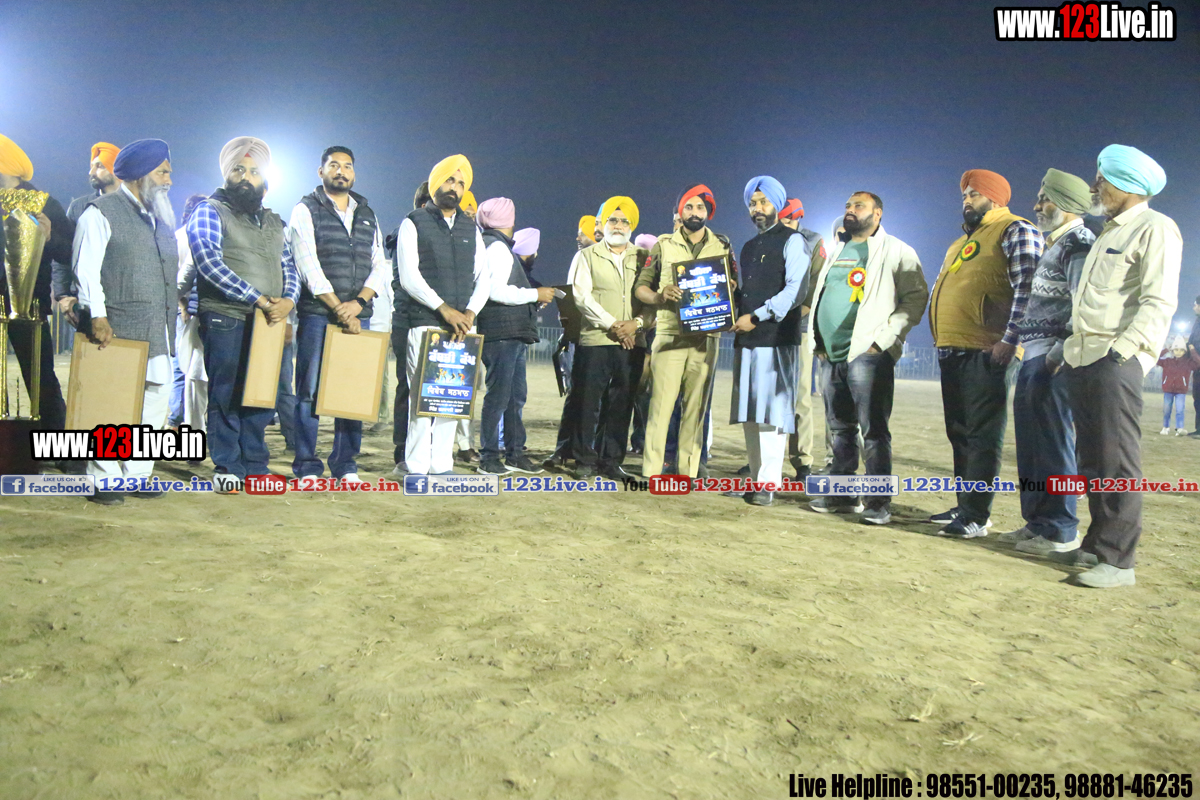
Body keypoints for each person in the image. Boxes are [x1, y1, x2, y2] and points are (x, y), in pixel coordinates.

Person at [1060, 144, 1181, 588]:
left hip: (1115, 359)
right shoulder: (1108, 232)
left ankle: (1119, 561)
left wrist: (1124, 350)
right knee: (1092, 457)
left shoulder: (1155, 228)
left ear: (1128, 185)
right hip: (1084, 356)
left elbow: (1159, 300)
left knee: (1117, 459)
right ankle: (1096, 544)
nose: (1096, 187)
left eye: (1103, 180)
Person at [927, 169, 1043, 538]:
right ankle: (965, 505)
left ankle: (977, 516)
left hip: (988, 349)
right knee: (959, 433)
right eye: (964, 195)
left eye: (974, 194)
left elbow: (1028, 288)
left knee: (982, 435)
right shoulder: (959, 243)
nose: (966, 200)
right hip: (953, 347)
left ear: (995, 198)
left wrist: (1011, 339)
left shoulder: (1015, 229)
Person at [807, 191, 928, 524]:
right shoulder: (838, 250)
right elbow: (822, 297)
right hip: (831, 355)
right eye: (847, 205)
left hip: (868, 355)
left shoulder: (898, 251)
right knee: (840, 430)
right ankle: (843, 496)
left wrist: (882, 341)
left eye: (858, 205)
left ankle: (878, 503)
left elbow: (916, 299)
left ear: (878, 214)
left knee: (873, 432)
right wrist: (818, 341)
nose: (850, 210)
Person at [187, 136, 299, 491]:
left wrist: (288, 300)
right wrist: (260, 299)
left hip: (268, 319)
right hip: (226, 315)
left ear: (265, 179)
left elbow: (288, 265)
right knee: (226, 393)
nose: (246, 177)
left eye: (254, 171)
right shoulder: (209, 211)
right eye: (239, 169)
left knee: (261, 393)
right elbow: (209, 263)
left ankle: (255, 466)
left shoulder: (274, 220)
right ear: (227, 174)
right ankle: (227, 466)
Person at [72, 139, 178, 505]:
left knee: (155, 401)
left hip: (158, 328)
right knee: (111, 404)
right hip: (116, 326)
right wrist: (97, 315)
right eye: (162, 172)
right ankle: (103, 478)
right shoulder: (100, 212)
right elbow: (86, 268)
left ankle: (137, 474)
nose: (168, 180)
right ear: (140, 176)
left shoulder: (161, 219)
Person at [999, 169, 1096, 555]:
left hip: (1054, 360)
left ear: (1068, 203)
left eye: (1045, 198)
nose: (1037, 205)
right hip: (1034, 355)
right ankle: (1037, 522)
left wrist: (1057, 356)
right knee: (1032, 446)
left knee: (1054, 445)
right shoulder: (1053, 244)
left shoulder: (1079, 243)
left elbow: (1083, 303)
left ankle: (1060, 530)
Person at [288, 145, 390, 482]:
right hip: (318, 314)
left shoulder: (367, 213)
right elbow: (308, 265)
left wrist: (358, 304)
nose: (341, 171)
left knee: (352, 392)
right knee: (309, 391)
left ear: (354, 173)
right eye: (334, 165)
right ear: (321, 172)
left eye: (347, 166)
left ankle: (345, 465)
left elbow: (379, 263)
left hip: (359, 315)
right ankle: (307, 465)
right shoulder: (305, 209)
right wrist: (339, 308)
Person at [395, 154, 491, 475]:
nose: (455, 188)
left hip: (462, 328)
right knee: (422, 401)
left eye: (461, 183)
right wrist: (445, 310)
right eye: (450, 180)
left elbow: (484, 278)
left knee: (453, 400)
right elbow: (410, 278)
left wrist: (470, 312)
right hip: (426, 324)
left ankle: (441, 465)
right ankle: (417, 467)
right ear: (436, 183)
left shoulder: (470, 228)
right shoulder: (413, 223)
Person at [634, 184, 732, 479]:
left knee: (696, 409)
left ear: (708, 212)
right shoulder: (663, 245)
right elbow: (641, 288)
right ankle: (652, 471)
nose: (694, 212)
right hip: (670, 335)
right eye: (688, 206)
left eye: (700, 207)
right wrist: (659, 296)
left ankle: (687, 472)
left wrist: (727, 289)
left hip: (706, 337)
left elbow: (734, 286)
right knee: (661, 407)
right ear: (680, 211)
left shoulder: (723, 246)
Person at [728, 176, 809, 506]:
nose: (757, 208)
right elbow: (746, 293)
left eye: (763, 202)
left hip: (775, 339)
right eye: (752, 203)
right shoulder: (749, 247)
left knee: (772, 415)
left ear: (777, 204)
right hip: (747, 340)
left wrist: (757, 316)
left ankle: (768, 483)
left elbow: (795, 291)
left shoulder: (794, 241)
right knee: (751, 415)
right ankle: (757, 479)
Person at [569, 196, 652, 480]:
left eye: (624, 221)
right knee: (587, 402)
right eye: (613, 220)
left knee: (622, 404)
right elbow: (582, 297)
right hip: (596, 340)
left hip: (633, 342)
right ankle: (584, 459)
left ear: (632, 225)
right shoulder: (586, 256)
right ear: (603, 224)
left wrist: (635, 325)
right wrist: (614, 325)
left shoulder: (644, 257)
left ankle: (611, 461)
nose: (618, 225)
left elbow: (652, 300)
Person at [474, 198, 557, 474]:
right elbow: (495, 290)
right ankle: (489, 458)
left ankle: (514, 454)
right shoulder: (497, 247)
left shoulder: (492, 243)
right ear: (508, 220)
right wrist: (535, 294)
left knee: (513, 397)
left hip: (510, 333)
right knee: (499, 398)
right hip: (502, 334)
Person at [0, 134, 72, 436]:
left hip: (29, 302)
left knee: (40, 376)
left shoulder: (43, 203)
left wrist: (48, 236)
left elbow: (68, 253)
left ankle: (60, 445)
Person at [778, 196, 826, 481]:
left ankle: (802, 462)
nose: (783, 224)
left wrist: (792, 316)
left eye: (788, 219)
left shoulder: (814, 241)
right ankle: (763, 460)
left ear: (798, 218)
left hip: (799, 328)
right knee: (767, 396)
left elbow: (815, 286)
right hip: (768, 326)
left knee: (799, 398)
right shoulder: (768, 239)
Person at [387, 182, 430, 475]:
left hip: (429, 319)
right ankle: (403, 449)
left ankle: (424, 449)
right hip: (408, 319)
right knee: (409, 386)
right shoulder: (408, 233)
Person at [56, 142, 122, 325]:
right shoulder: (79, 207)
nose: (91, 172)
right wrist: (62, 295)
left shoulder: (133, 206)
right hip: (85, 302)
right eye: (92, 166)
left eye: (99, 166)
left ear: (115, 169)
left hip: (125, 303)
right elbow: (64, 253)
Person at [170, 193, 210, 436]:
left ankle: (182, 422)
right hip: (190, 310)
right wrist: (183, 306)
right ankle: (181, 421)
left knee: (188, 369)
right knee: (187, 369)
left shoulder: (185, 235)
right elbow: (178, 278)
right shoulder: (188, 237)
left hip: (190, 308)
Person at [1158, 337, 1199, 435]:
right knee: (1166, 410)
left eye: (1181, 350)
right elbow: (1155, 359)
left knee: (1180, 410)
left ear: (1185, 351)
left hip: (1181, 391)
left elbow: (1198, 362)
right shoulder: (1167, 361)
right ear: (1172, 350)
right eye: (1176, 349)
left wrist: (1192, 350)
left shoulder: (1188, 363)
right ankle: (1165, 427)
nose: (1178, 352)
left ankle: (1179, 428)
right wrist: (1166, 349)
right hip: (1168, 390)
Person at [1187, 296, 1200, 436]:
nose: (1194, 307)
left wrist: (1192, 349)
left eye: (1195, 304)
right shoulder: (1197, 321)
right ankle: (1199, 429)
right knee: (1197, 398)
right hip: (1197, 367)